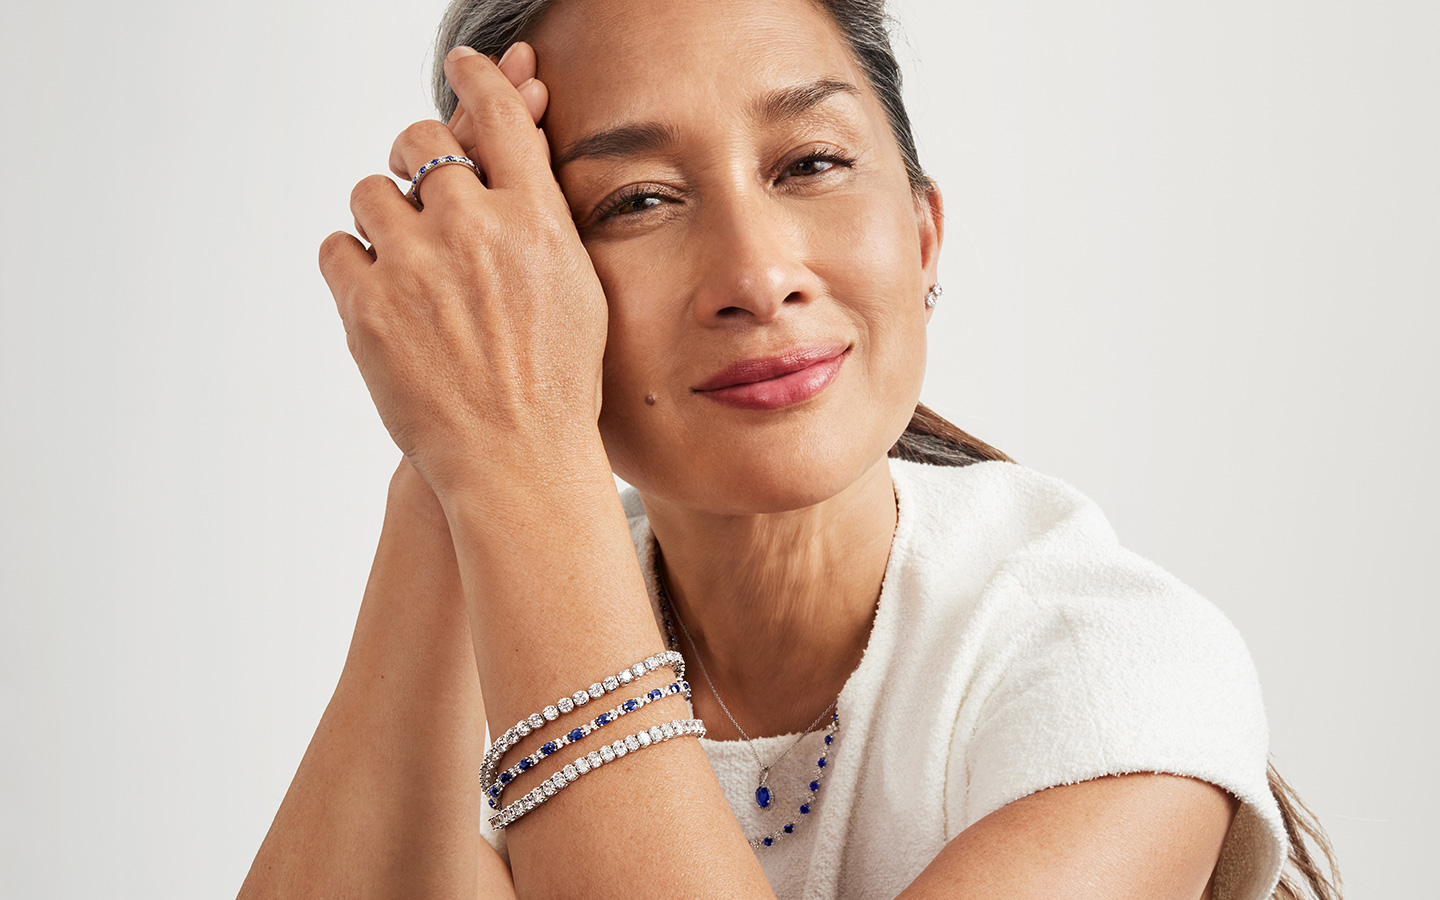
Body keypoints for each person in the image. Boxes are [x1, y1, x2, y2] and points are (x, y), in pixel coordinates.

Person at [239, 0, 1341, 897]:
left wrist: (511, 456)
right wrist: (460, 437)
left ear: (921, 240)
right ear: (530, 284)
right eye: (639, 199)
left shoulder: (1110, 665)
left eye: (810, 163)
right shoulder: (537, 588)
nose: (759, 276)